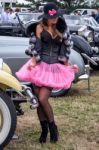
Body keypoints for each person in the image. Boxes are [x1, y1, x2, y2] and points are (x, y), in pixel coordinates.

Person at [16, 2, 78, 143]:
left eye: (57, 16)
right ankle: (44, 131)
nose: (55, 19)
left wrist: (67, 65)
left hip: (54, 67)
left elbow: (66, 48)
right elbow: (35, 47)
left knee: (43, 99)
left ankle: (53, 128)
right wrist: (33, 61)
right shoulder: (39, 27)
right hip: (39, 66)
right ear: (45, 16)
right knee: (38, 101)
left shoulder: (62, 27)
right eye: (53, 17)